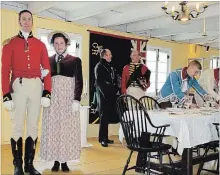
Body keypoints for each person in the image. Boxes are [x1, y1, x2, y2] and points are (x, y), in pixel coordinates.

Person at [1, 10, 51, 175]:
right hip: (18, 86)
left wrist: (47, 92)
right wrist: (6, 94)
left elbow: (47, 70)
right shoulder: (10, 44)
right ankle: (17, 165)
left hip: (36, 87)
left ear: (32, 22)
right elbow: (4, 71)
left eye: (29, 19)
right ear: (19, 21)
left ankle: (29, 164)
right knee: (17, 127)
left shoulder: (40, 44)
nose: (27, 21)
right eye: (24, 19)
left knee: (32, 127)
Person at [40, 31, 83, 172]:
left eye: (61, 43)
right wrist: (44, 93)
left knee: (66, 129)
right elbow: (44, 80)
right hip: (53, 100)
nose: (59, 46)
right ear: (53, 45)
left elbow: (79, 81)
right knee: (54, 130)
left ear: (66, 44)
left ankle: (64, 161)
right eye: (56, 43)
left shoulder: (75, 60)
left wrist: (76, 99)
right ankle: (55, 160)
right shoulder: (47, 59)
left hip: (67, 99)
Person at [94, 49, 118, 147]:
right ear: (105, 56)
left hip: (109, 95)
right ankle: (102, 139)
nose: (111, 56)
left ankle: (105, 137)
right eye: (110, 54)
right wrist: (107, 94)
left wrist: (115, 89)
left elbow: (112, 80)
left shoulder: (109, 65)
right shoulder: (99, 66)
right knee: (103, 117)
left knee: (107, 118)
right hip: (103, 95)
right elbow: (100, 83)